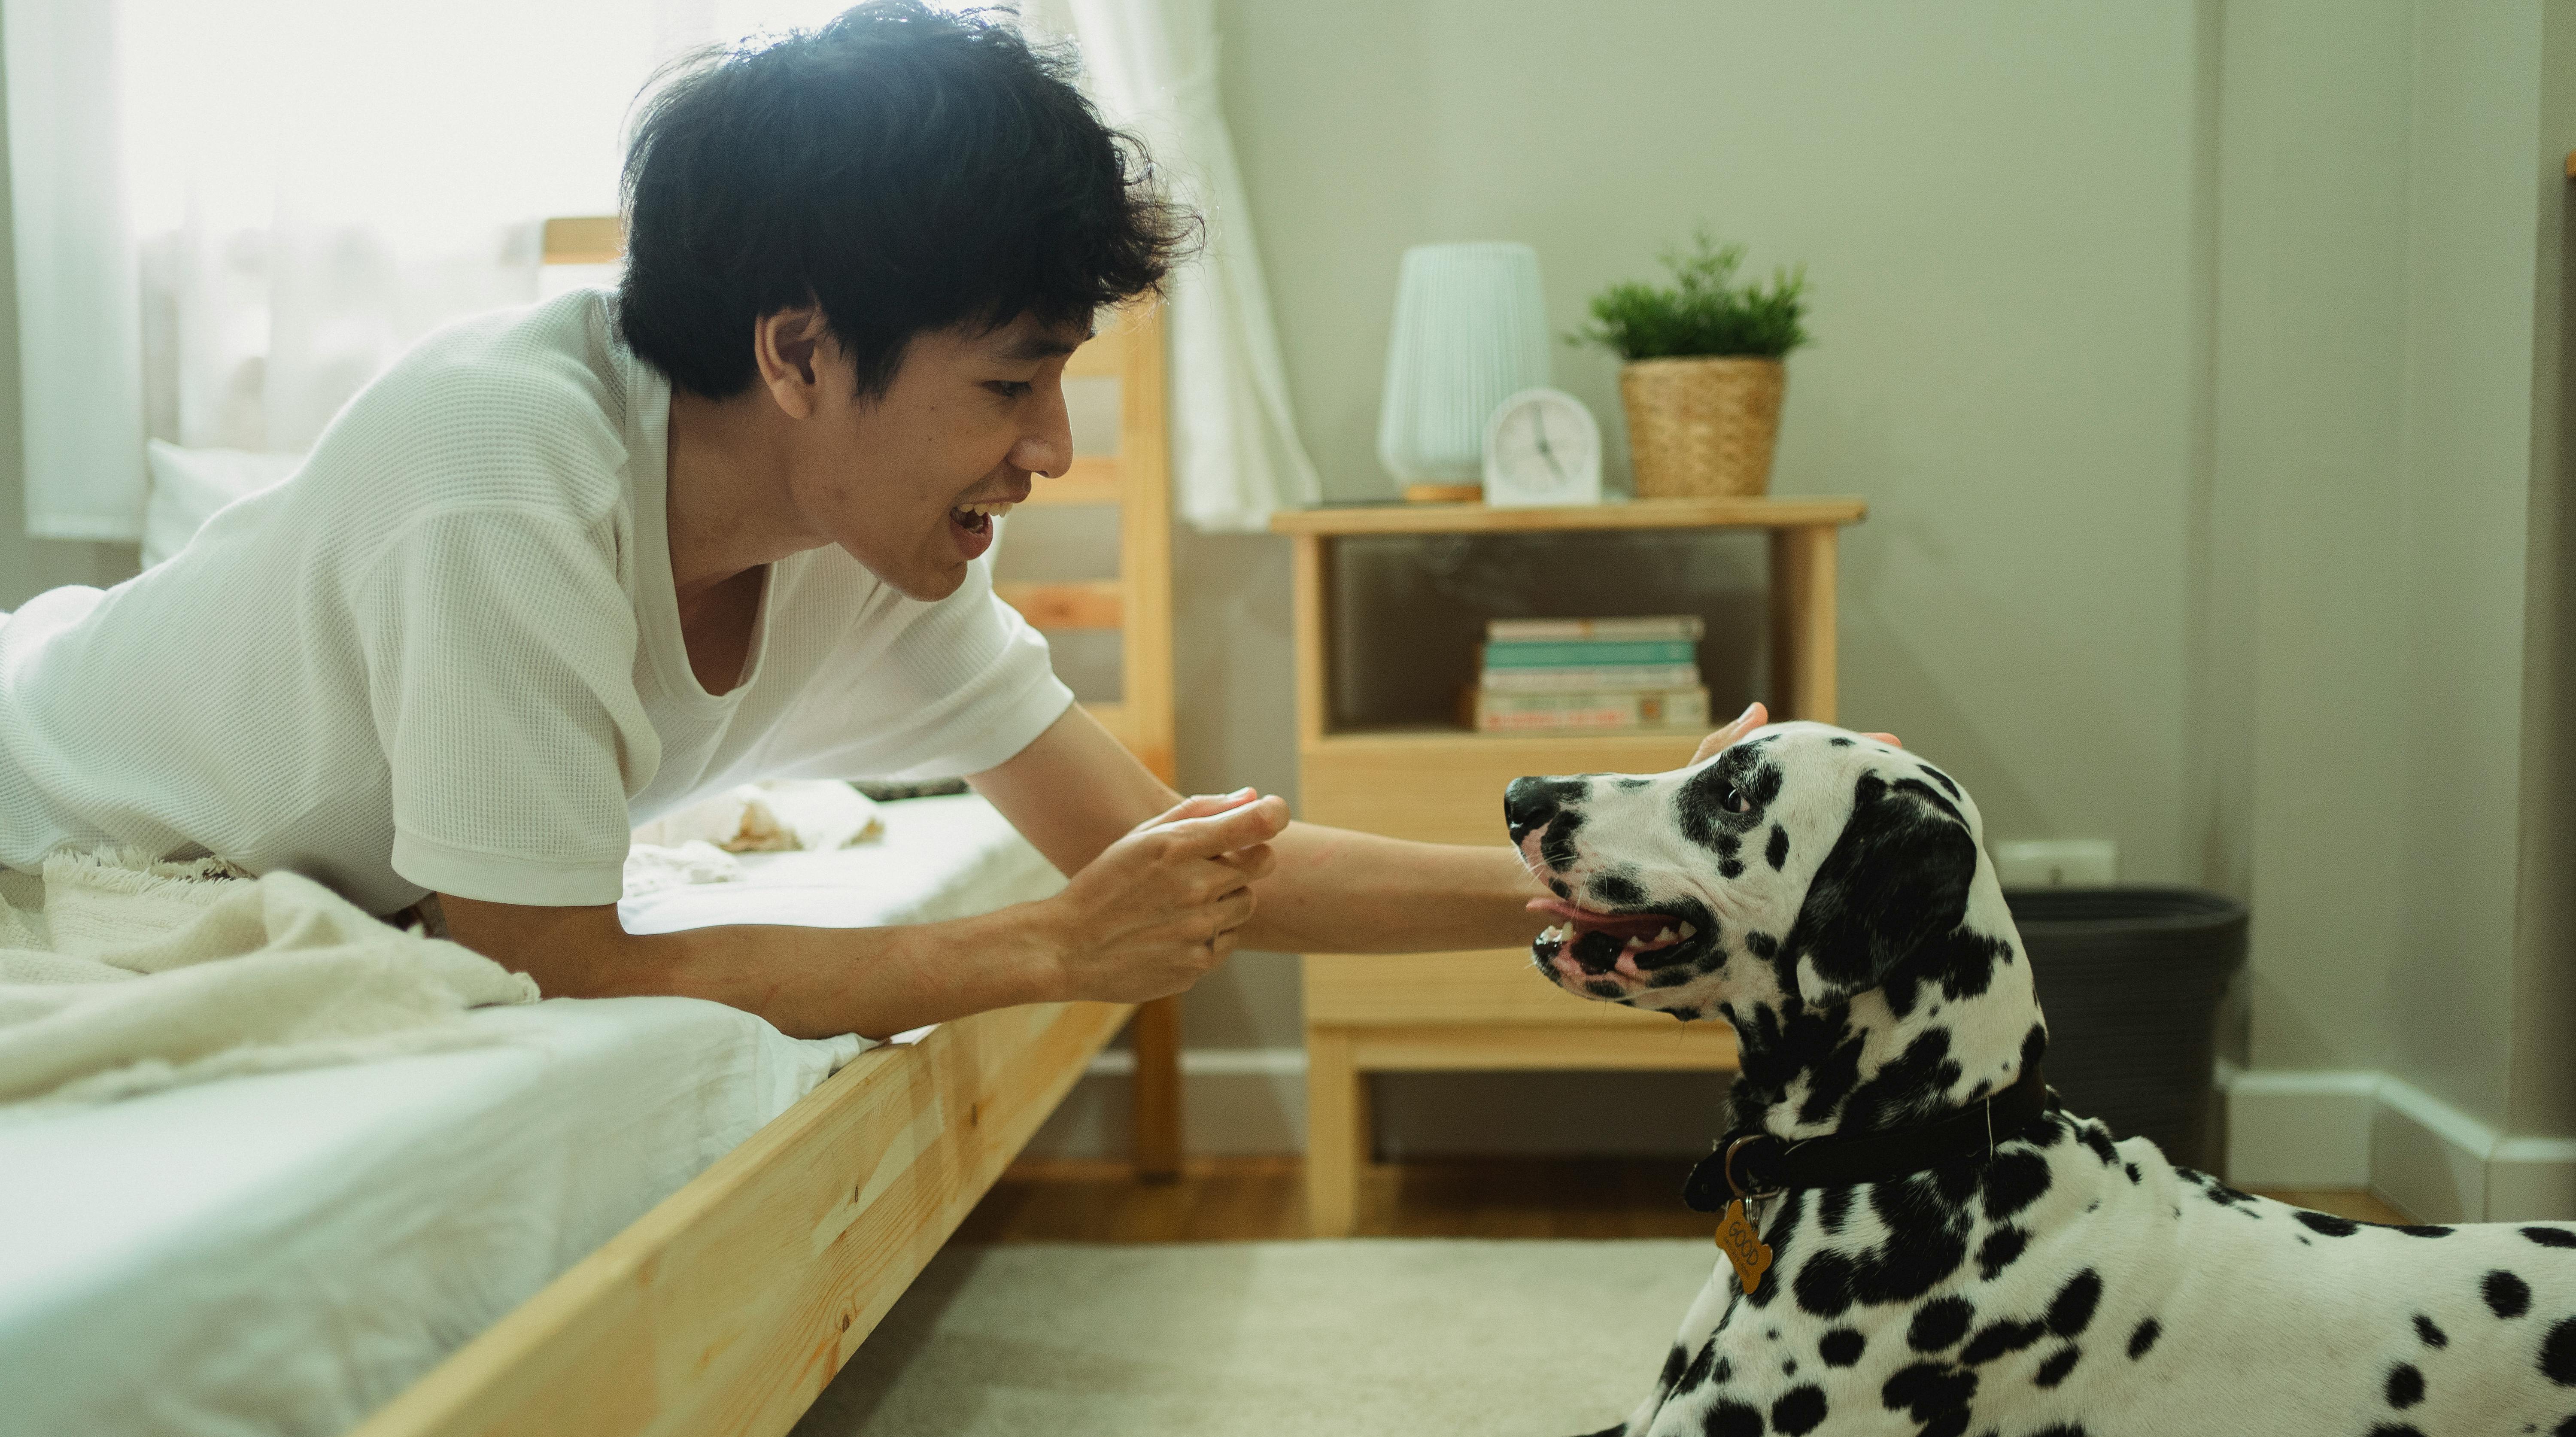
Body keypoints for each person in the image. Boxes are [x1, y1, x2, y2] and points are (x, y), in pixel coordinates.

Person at [0, 2, 1774, 1042]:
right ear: (797, 351)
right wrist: (1034, 951)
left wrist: (1634, 872)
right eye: (1011, 386)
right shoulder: (496, 469)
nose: (1054, 448)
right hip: (46, 816)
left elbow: (1164, 846)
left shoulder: (874, 553)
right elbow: (542, 961)